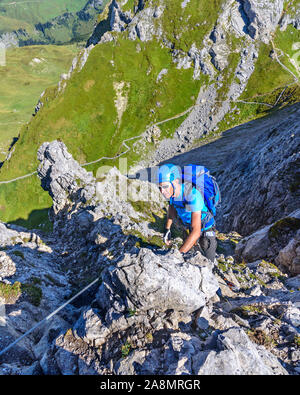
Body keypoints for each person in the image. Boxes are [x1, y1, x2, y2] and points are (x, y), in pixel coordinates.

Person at [157, 163, 217, 262]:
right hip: (189, 229)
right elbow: (171, 208)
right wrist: (167, 229)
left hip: (205, 232)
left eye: (165, 186)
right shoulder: (172, 194)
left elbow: (196, 231)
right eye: (160, 187)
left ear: (175, 182)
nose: (162, 191)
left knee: (208, 266)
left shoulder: (192, 195)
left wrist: (176, 257)